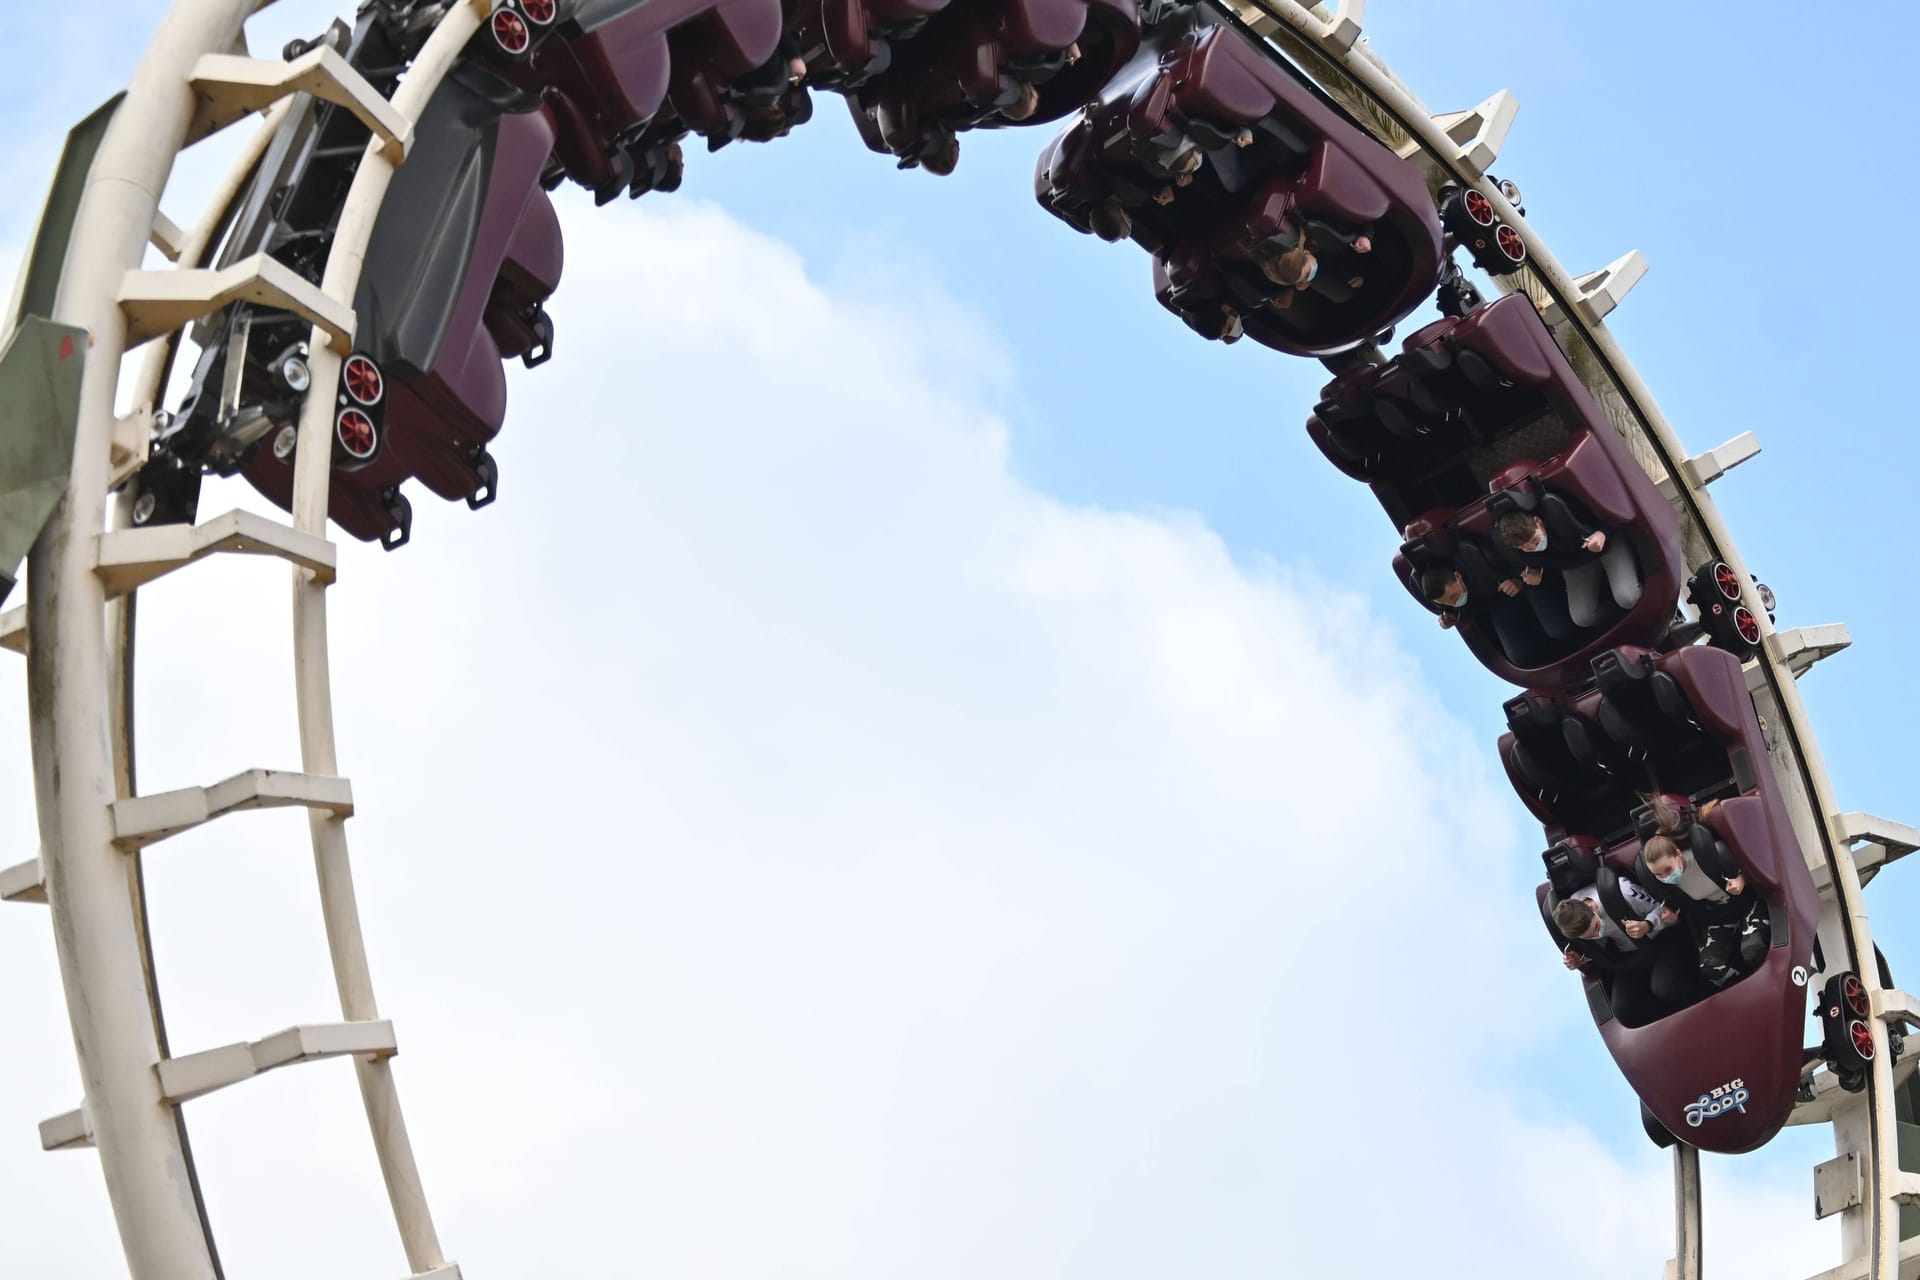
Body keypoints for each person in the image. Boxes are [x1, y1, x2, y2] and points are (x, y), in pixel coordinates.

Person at [1637, 819, 1767, 987]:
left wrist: (1741, 880)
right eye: (1658, 874)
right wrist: (1673, 917)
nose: (1665, 877)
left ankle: (1767, 980)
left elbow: (1754, 865)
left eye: (1668, 870)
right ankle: (1748, 988)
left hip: (1746, 903)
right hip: (1719, 916)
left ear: (1678, 854)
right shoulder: (1666, 887)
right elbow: (1684, 911)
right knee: (1710, 967)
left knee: (1753, 951)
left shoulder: (1708, 855)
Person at [1552, 882, 1704, 1024]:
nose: (1598, 934)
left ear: (1591, 908)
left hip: (1664, 936)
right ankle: (1675, 1023)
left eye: (1597, 927)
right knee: (1624, 1010)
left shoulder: (1624, 892)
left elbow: (1664, 908)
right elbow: (1600, 943)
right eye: (1590, 936)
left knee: (1667, 988)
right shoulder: (1575, 919)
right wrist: (1582, 958)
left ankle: (1705, 997)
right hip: (1630, 952)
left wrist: (1647, 925)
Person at [1493, 496, 1641, 628]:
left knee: (1627, 597)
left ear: (1538, 521)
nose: (1534, 548)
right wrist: (1533, 570)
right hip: (1575, 563)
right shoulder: (1518, 547)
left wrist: (1602, 533)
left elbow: (1610, 513)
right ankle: (1625, 621)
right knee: (1582, 617)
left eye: (1535, 541)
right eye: (1526, 548)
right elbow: (1535, 562)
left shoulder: (1559, 508)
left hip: (1605, 543)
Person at [1417, 559, 1549, 667]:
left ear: (1458, 576)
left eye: (1454, 597)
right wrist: (1452, 616)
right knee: (1520, 657)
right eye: (1446, 603)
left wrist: (1518, 581)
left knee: (1557, 628)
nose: (1454, 603)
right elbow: (1455, 608)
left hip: (1526, 585)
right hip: (1498, 607)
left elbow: (1514, 561)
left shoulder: (1476, 561)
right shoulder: (1448, 602)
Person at [1253, 220, 1375, 305]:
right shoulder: (1306, 241)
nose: (1308, 279)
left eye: (1307, 274)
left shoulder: (1326, 231)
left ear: (1306, 253)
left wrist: (1366, 235)